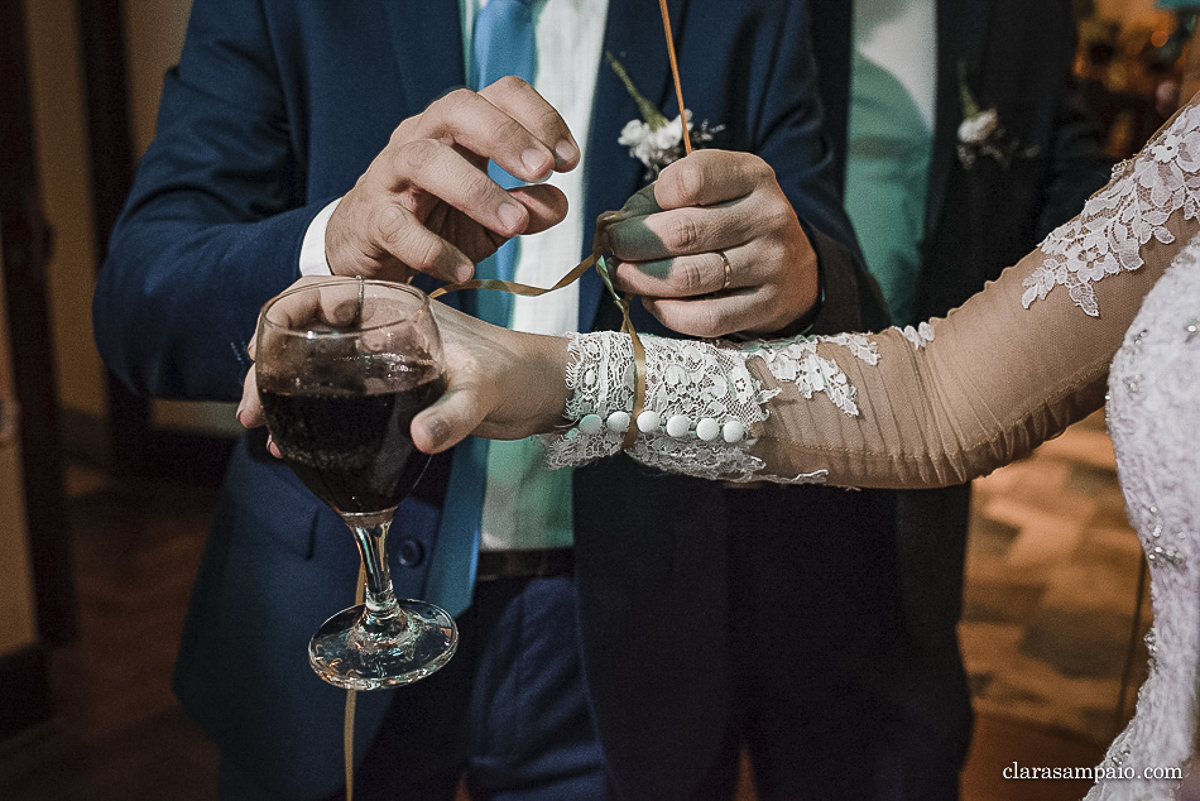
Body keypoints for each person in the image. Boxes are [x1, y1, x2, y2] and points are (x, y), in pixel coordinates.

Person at [242, 90, 1200, 801]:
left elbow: (833, 270)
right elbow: (941, 394)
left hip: (632, 634)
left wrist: (797, 275)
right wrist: (562, 375)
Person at [91, 2, 928, 800]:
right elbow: (137, 298)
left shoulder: (740, 8)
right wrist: (331, 243)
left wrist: (801, 278)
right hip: (328, 607)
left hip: (624, 631)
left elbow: (837, 298)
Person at [835, 0, 1114, 771]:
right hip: (738, 408)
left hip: (931, 409)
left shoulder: (1021, 15)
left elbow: (1072, 178)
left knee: (912, 698)